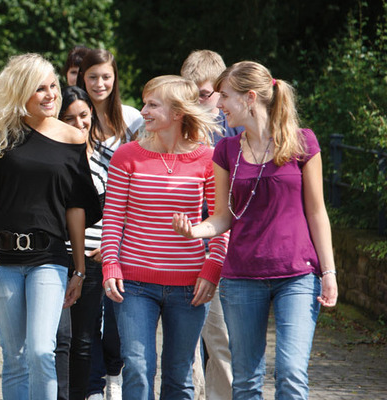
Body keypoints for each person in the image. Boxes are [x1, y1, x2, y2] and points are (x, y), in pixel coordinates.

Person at [172, 61, 338, 400]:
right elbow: (222, 217)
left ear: (250, 98)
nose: (219, 105)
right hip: (242, 277)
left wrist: (329, 271)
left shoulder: (303, 143)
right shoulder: (226, 150)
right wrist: (195, 231)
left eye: (225, 97)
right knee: (246, 380)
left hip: (297, 275)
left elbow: (317, 211)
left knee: (291, 374)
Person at [0, 53, 101, 400]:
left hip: (50, 257)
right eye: (39, 88)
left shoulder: (74, 139)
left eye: (53, 86)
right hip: (1, 260)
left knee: (42, 350)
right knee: (15, 356)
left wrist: (80, 269)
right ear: (20, 92)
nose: (50, 95)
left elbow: (76, 207)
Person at [100, 75, 228, 400]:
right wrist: (110, 266)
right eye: (144, 103)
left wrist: (212, 270)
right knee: (138, 369)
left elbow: (220, 222)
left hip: (190, 287)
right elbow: (113, 218)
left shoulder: (208, 159)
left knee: (180, 375)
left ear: (177, 113)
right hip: (134, 284)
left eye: (152, 104)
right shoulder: (126, 156)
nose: (143, 110)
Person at [75, 48, 142, 400]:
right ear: (80, 78)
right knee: (84, 324)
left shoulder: (132, 121)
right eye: (92, 77)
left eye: (106, 77)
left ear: (115, 79)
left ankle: (114, 374)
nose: (99, 83)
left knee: (117, 325)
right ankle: (93, 389)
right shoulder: (73, 119)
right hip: (81, 236)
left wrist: (118, 237)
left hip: (123, 236)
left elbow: (141, 183)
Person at [178, 49, 239, 400]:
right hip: (182, 247)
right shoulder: (178, 128)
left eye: (203, 94)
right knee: (185, 345)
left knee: (221, 341)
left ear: (219, 91)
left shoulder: (233, 133)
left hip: (221, 245)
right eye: (191, 94)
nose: (197, 103)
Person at [55, 86, 110, 400]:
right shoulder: (53, 155)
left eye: (84, 116)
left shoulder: (106, 157)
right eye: (69, 118)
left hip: (93, 259)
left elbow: (119, 208)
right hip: (55, 257)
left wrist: (110, 245)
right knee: (60, 338)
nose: (78, 123)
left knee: (85, 339)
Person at [181, 50, 242, 145]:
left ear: (221, 89)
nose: (195, 100)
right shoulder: (177, 123)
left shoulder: (236, 125)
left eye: (203, 94)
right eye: (189, 94)